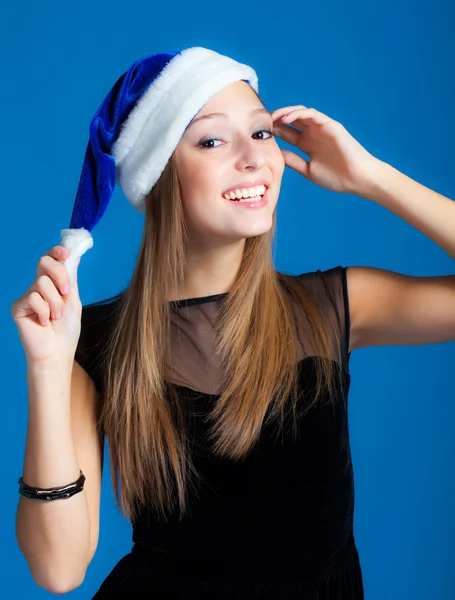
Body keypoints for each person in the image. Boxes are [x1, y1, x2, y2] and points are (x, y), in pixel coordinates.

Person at [11, 47, 455, 599]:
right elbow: (59, 570)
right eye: (213, 140)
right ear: (157, 177)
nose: (254, 158)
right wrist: (48, 369)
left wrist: (373, 177)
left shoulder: (333, 306)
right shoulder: (97, 343)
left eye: (262, 132)